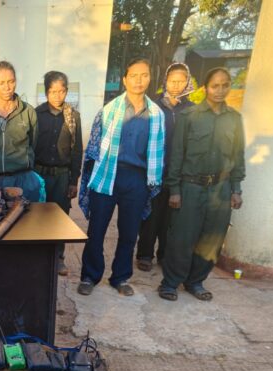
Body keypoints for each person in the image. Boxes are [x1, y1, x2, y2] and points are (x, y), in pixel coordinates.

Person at [77, 58, 165, 296]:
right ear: (125, 79)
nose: (138, 80)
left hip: (137, 179)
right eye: (133, 75)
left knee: (129, 232)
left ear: (150, 78)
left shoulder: (156, 115)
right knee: (96, 229)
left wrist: (151, 182)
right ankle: (89, 276)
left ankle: (121, 277)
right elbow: (93, 148)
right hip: (107, 174)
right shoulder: (108, 110)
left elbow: (159, 150)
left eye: (144, 75)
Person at [158, 67, 245, 302]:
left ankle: (195, 281)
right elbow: (177, 155)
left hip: (220, 189)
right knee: (182, 238)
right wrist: (174, 190)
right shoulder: (190, 116)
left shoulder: (234, 119)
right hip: (191, 187)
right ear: (206, 88)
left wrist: (236, 189)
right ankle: (170, 282)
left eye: (225, 85)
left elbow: (237, 156)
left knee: (212, 239)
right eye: (215, 85)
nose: (220, 90)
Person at [135, 62, 194, 272]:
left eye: (181, 81)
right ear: (165, 81)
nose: (176, 85)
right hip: (155, 170)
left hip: (179, 173)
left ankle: (164, 254)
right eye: (172, 80)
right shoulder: (153, 106)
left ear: (187, 82)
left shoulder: (192, 110)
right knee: (151, 214)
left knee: (172, 218)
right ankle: (145, 254)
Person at [34, 71, 83, 275]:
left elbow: (77, 150)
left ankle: (58, 258)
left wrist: (73, 181)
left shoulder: (73, 116)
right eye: (53, 91)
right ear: (46, 92)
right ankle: (37, 256)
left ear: (66, 91)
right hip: (39, 175)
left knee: (60, 218)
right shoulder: (36, 114)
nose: (57, 95)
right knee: (36, 216)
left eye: (61, 91)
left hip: (62, 177)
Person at [0, 61, 42, 202]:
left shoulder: (28, 112)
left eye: (11, 81)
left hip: (22, 179)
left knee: (26, 216)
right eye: (1, 83)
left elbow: (33, 142)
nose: (7, 87)